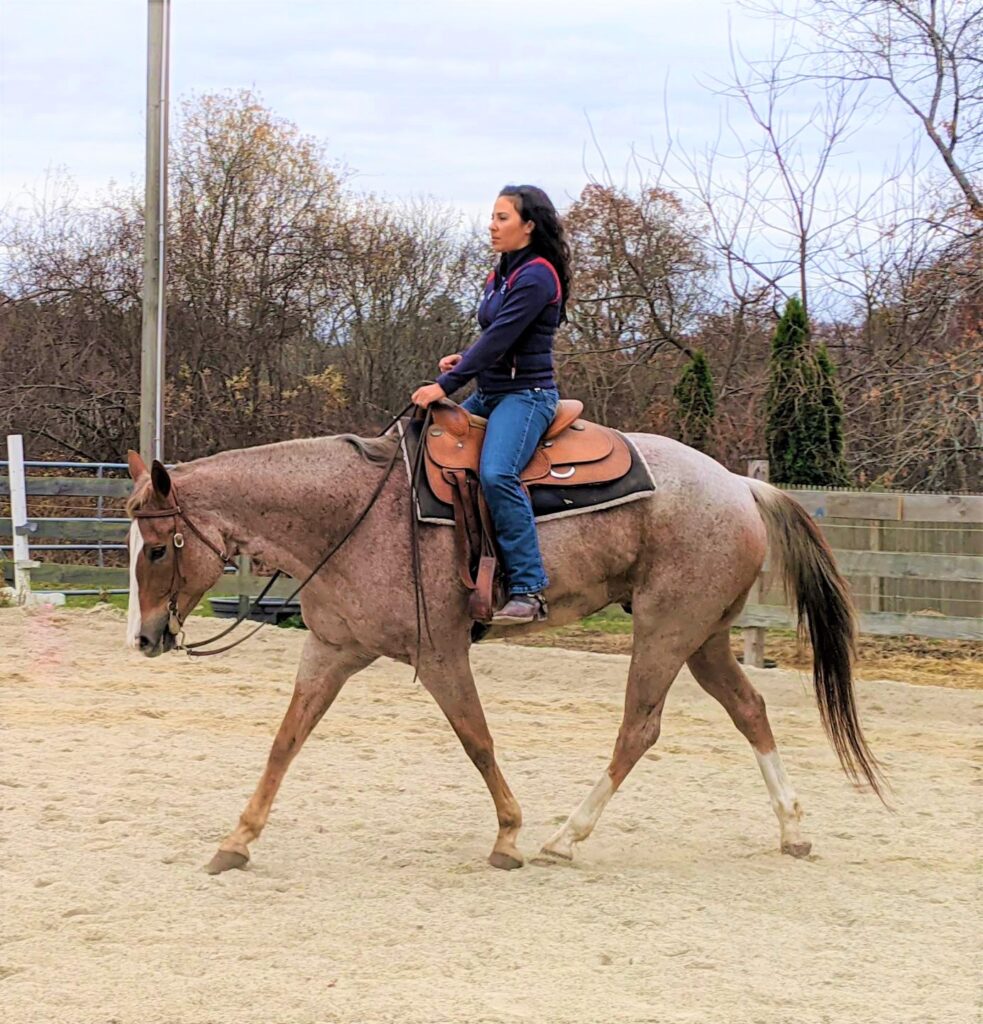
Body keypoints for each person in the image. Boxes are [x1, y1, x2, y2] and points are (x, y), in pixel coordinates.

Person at [411, 184, 571, 625]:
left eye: (503, 218)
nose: (492, 225)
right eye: (493, 216)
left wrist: (445, 384)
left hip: (527, 397)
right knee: (421, 444)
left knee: (498, 474)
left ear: (529, 226)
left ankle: (529, 587)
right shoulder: (501, 272)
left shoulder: (537, 275)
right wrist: (466, 358)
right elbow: (496, 337)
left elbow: (502, 338)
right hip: (494, 391)